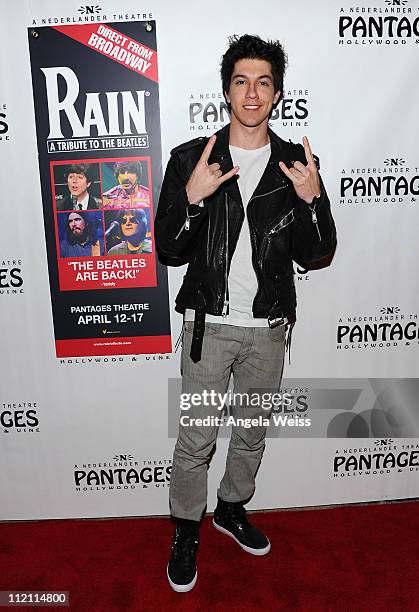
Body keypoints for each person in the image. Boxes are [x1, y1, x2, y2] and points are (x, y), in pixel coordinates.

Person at [155, 34, 336, 593]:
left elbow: (317, 251)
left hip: (267, 332)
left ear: (277, 93)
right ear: (226, 90)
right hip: (209, 327)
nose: (251, 92)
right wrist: (192, 199)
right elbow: (169, 248)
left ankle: (231, 510)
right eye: (241, 81)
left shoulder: (297, 164)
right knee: (196, 440)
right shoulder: (193, 158)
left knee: (251, 436)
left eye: (263, 81)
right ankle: (187, 529)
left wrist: (313, 201)